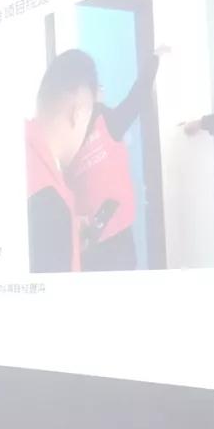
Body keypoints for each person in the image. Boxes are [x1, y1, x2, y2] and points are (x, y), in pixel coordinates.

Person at [63, 50, 163, 271]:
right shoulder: (106, 122)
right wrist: (155, 59)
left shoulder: (65, 136)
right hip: (112, 241)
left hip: (87, 244)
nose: (103, 91)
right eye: (99, 87)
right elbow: (138, 96)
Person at [25, 51, 97, 273]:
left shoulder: (17, 153)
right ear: (78, 114)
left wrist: (69, 229)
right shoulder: (51, 204)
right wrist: (62, 227)